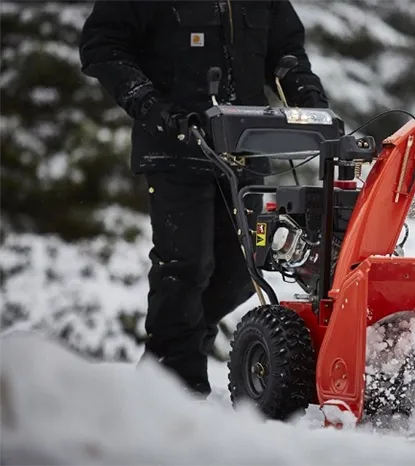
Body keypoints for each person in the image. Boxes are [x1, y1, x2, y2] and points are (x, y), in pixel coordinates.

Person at [79, 0, 329, 398]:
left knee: (242, 269)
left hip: (245, 145)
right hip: (174, 145)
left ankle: (172, 355)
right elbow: (102, 46)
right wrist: (149, 104)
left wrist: (307, 94)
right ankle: (176, 386)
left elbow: (285, 51)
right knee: (186, 265)